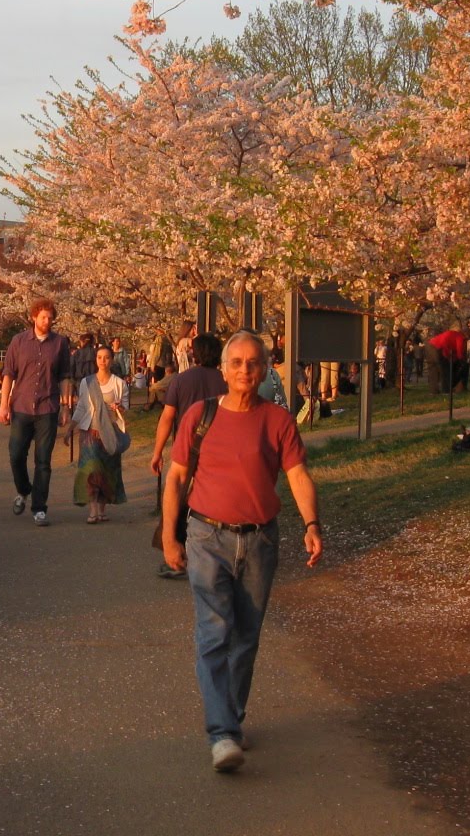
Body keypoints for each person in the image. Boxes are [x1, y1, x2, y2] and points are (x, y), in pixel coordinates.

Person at [160, 330, 322, 774]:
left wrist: (311, 522)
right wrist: (171, 538)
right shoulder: (201, 415)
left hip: (260, 541)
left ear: (266, 367)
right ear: (224, 369)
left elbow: (298, 475)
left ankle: (231, 718)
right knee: (214, 634)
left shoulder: (278, 421)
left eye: (254, 363)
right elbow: (176, 478)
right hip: (207, 537)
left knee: (246, 637)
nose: (245, 371)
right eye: (237, 363)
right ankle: (222, 733)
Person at [148, 333, 227, 578]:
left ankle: (179, 556)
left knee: (180, 503)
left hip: (187, 450)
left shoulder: (181, 381)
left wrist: (157, 451)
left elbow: (167, 418)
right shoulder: (226, 381)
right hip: (219, 450)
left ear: (194, 354)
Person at [0, 298, 75, 527]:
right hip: (21, 406)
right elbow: (8, 374)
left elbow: (64, 376)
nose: (47, 321)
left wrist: (64, 407)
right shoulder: (18, 341)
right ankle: (24, 489)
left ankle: (39, 507)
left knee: (43, 461)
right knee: (16, 454)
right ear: (34, 317)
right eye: (43, 317)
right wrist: (3, 405)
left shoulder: (60, 343)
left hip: (47, 408)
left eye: (51, 317)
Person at [72, 345, 129, 522]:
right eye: (99, 357)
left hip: (110, 432)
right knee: (92, 469)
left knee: (107, 470)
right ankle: (93, 510)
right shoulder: (86, 382)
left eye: (106, 357)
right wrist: (71, 427)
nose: (102, 361)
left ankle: (102, 509)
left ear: (112, 360)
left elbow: (125, 407)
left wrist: (119, 407)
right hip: (90, 432)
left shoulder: (119, 383)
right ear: (95, 360)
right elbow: (82, 406)